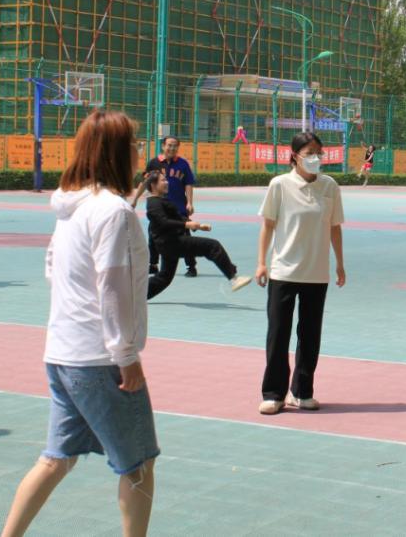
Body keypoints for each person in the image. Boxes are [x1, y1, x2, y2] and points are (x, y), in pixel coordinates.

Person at [1, 110, 158, 537]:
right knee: (138, 464)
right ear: (116, 152)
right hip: (99, 360)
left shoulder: (71, 207)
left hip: (62, 352)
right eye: (134, 143)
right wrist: (126, 354)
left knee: (55, 458)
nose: (138, 151)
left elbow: (53, 267)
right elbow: (113, 286)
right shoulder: (114, 212)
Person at [256, 131, 345, 415]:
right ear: (294, 156)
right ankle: (274, 394)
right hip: (283, 271)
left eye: (319, 152)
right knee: (278, 334)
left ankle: (302, 392)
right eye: (309, 153)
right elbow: (268, 225)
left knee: (310, 335)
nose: (315, 158)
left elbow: (335, 227)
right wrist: (261, 263)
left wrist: (340, 263)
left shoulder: (329, 186)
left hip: (316, 273)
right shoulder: (280, 185)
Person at [142, 170, 252, 298]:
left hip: (169, 244)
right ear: (153, 185)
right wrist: (186, 225)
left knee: (164, 278)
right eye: (163, 180)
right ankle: (233, 278)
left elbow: (177, 217)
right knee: (212, 246)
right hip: (172, 243)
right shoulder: (153, 203)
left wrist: (198, 226)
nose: (167, 182)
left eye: (166, 179)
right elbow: (163, 222)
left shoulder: (160, 200)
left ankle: (136, 296)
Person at [144, 136, 197, 277]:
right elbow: (146, 182)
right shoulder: (154, 163)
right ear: (163, 146)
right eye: (169, 145)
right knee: (153, 235)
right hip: (159, 206)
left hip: (178, 206)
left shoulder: (183, 164)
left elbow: (188, 183)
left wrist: (189, 202)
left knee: (185, 236)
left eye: (175, 146)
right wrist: (137, 199)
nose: (172, 148)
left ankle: (191, 266)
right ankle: (153, 265)